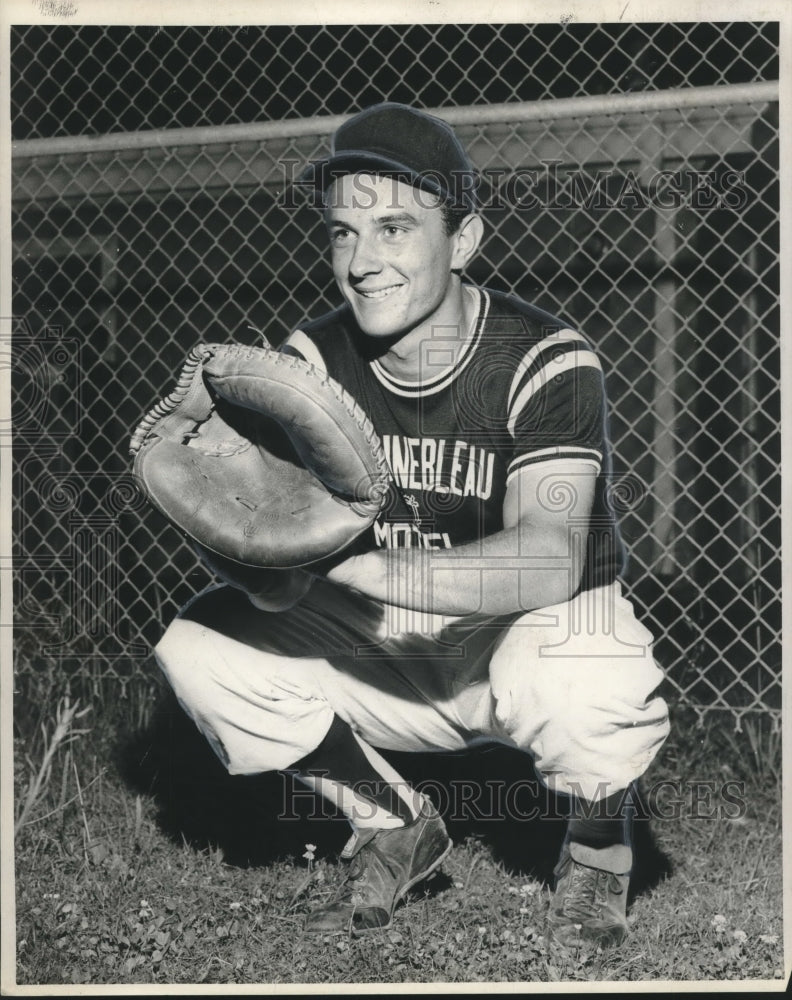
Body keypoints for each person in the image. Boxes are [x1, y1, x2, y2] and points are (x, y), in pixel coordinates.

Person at [154, 102, 670, 947]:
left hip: (520, 633)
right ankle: (394, 824)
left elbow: (547, 560)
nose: (361, 262)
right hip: (389, 642)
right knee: (201, 646)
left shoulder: (544, 356)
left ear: (463, 240)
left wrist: (368, 572)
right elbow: (281, 586)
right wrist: (227, 523)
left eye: (394, 227)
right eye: (343, 234)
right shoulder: (312, 361)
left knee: (589, 664)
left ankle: (599, 854)